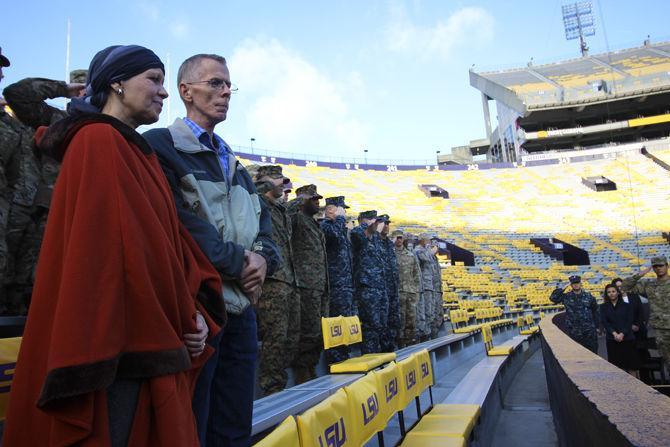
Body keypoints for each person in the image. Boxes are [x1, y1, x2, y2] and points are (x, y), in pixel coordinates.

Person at [4, 44, 225, 447]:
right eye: (153, 80)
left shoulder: (132, 150)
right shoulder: (99, 143)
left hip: (154, 330)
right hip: (121, 348)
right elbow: (113, 264)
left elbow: (169, 248)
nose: (163, 92)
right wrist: (177, 320)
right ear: (117, 84)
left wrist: (192, 312)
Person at [143, 53, 280, 447]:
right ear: (186, 91)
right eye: (215, 83)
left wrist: (264, 259)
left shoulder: (232, 160)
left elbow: (264, 226)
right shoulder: (160, 145)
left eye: (228, 85)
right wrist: (241, 262)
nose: (225, 93)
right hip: (199, 308)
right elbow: (181, 225)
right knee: (193, 425)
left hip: (242, 312)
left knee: (234, 425)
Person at [1, 71, 86, 315]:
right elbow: (18, 94)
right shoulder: (59, 120)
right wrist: (62, 88)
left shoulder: (115, 128)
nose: (84, 94)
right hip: (31, 208)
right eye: (81, 89)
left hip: (70, 214)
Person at [255, 165, 300, 395]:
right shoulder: (256, 201)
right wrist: (265, 184)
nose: (281, 182)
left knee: (291, 338)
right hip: (271, 280)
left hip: (288, 279)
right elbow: (251, 188)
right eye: (275, 178)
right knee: (275, 338)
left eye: (281, 178)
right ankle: (271, 390)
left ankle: (280, 385)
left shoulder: (280, 210)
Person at [287, 184, 329, 383]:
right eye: (314, 199)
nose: (318, 203)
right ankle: (303, 373)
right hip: (305, 285)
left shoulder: (313, 223)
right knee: (307, 333)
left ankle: (310, 369)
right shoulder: (296, 218)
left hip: (319, 285)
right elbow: (283, 214)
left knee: (319, 333)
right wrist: (299, 199)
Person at [321, 195, 355, 363]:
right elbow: (333, 235)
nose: (344, 213)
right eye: (342, 209)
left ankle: (344, 358)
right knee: (336, 325)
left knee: (345, 325)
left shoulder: (340, 228)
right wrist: (340, 218)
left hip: (346, 284)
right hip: (335, 284)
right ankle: (336, 361)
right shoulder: (326, 226)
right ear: (330, 210)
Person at [622, 256, 670, 365]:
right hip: (661, 329)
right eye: (655, 266)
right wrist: (641, 273)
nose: (658, 268)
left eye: (661, 265)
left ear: (667, 266)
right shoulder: (649, 285)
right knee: (668, 360)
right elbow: (625, 286)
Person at [350, 210, 387, 353]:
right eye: (372, 220)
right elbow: (355, 233)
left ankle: (378, 356)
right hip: (366, 288)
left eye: (376, 220)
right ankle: (370, 355)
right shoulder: (358, 235)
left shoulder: (374, 239)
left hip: (378, 288)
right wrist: (364, 224)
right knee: (370, 325)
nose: (375, 223)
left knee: (380, 324)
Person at [550, 275, 599, 353]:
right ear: (571, 285)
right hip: (574, 332)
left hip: (589, 332)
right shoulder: (566, 296)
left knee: (593, 353)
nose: (576, 285)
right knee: (577, 355)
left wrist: (597, 326)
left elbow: (595, 310)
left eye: (577, 282)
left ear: (580, 283)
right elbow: (553, 298)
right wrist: (563, 287)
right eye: (573, 283)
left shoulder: (589, 296)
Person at [601, 283, 639, 376]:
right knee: (617, 367)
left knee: (631, 366)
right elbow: (605, 323)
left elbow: (629, 321)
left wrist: (622, 334)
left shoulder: (627, 306)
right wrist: (615, 334)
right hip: (612, 339)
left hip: (627, 338)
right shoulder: (603, 307)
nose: (611, 293)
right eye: (609, 292)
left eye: (613, 291)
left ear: (618, 292)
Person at [392, 230, 422, 347]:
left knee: (411, 319)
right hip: (398, 292)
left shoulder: (410, 254)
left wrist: (416, 290)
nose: (399, 240)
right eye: (397, 238)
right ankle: (400, 344)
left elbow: (416, 273)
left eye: (401, 238)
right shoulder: (390, 253)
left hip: (410, 292)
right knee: (400, 320)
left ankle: (409, 344)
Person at [379, 214, 400, 352]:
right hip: (380, 289)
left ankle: (391, 351)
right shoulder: (374, 240)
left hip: (392, 288)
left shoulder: (388, 244)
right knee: (381, 323)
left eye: (388, 223)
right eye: (384, 223)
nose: (387, 226)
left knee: (393, 322)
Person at [415, 234, 436, 341]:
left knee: (431, 312)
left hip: (430, 285)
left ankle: (428, 334)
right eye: (428, 240)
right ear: (422, 240)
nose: (430, 242)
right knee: (426, 312)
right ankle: (424, 336)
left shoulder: (426, 250)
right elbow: (427, 259)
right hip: (424, 285)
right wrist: (430, 250)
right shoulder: (419, 250)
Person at [429, 239, 444, 337]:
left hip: (438, 290)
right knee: (432, 314)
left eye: (437, 247)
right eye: (434, 247)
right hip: (432, 290)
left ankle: (436, 335)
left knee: (439, 314)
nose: (436, 249)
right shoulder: (429, 257)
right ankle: (433, 337)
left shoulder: (436, 259)